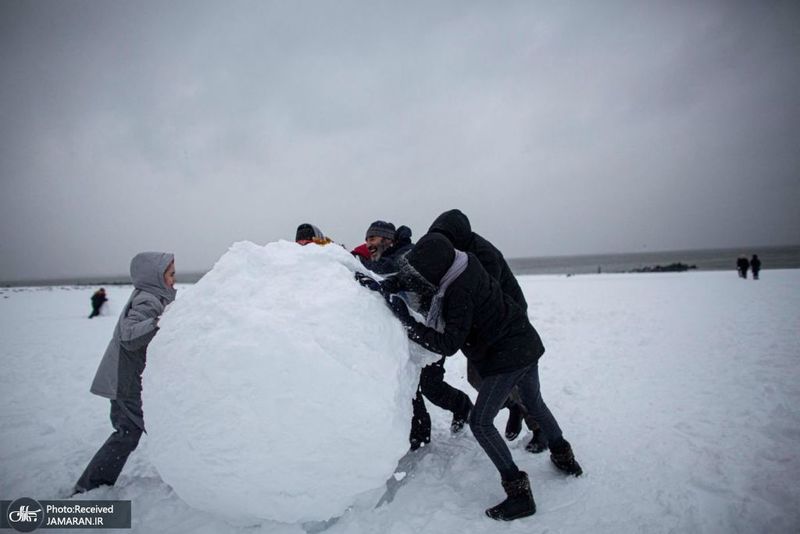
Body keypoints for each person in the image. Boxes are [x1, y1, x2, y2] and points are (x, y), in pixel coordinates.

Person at [368, 233, 582, 520]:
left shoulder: (458, 291)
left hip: (509, 356)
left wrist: (405, 320)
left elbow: (447, 344)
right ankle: (564, 457)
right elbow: (425, 280)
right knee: (534, 402)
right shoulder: (462, 263)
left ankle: (519, 494)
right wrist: (390, 284)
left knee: (481, 423)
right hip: (524, 341)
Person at [428, 209, 545, 451]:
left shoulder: (483, 255)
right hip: (480, 329)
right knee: (477, 378)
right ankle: (514, 407)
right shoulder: (455, 254)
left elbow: (478, 295)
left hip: (507, 326)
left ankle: (540, 429)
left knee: (520, 382)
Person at [355, 221, 472, 449]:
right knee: (410, 385)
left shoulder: (408, 253)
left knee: (430, 387)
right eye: (367, 239)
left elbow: (390, 269)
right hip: (410, 333)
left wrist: (355, 260)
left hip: (431, 332)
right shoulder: (386, 255)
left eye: (373, 239)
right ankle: (419, 433)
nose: (368, 244)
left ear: (388, 239)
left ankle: (463, 407)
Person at [74, 252, 177, 494]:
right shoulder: (149, 299)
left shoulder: (155, 297)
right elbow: (130, 335)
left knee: (131, 431)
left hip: (128, 380)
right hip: (124, 381)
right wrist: (162, 322)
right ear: (155, 276)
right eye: (170, 274)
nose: (174, 280)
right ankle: (89, 486)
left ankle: (91, 484)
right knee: (134, 431)